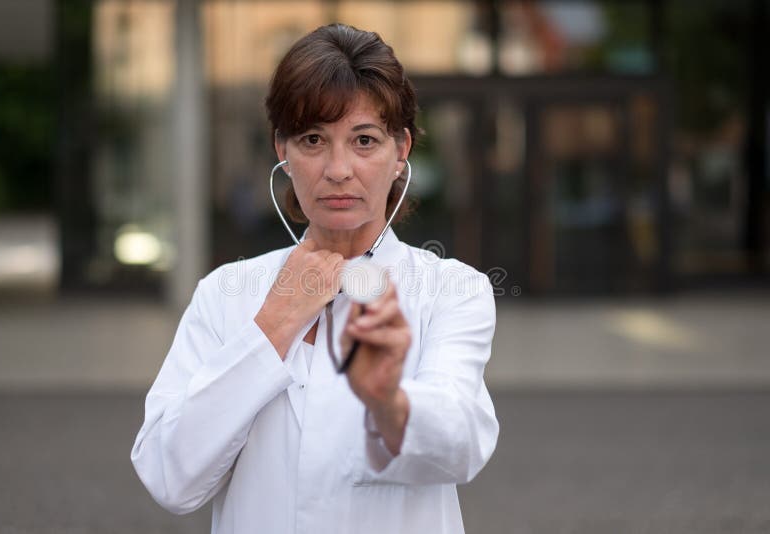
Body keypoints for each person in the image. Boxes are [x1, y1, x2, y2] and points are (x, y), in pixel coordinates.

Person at [131, 23, 499, 534]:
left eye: (365, 140)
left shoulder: (452, 291)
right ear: (282, 149)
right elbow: (169, 477)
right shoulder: (225, 294)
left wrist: (389, 401)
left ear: (401, 153)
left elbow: (462, 447)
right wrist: (273, 326)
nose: (338, 168)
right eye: (312, 139)